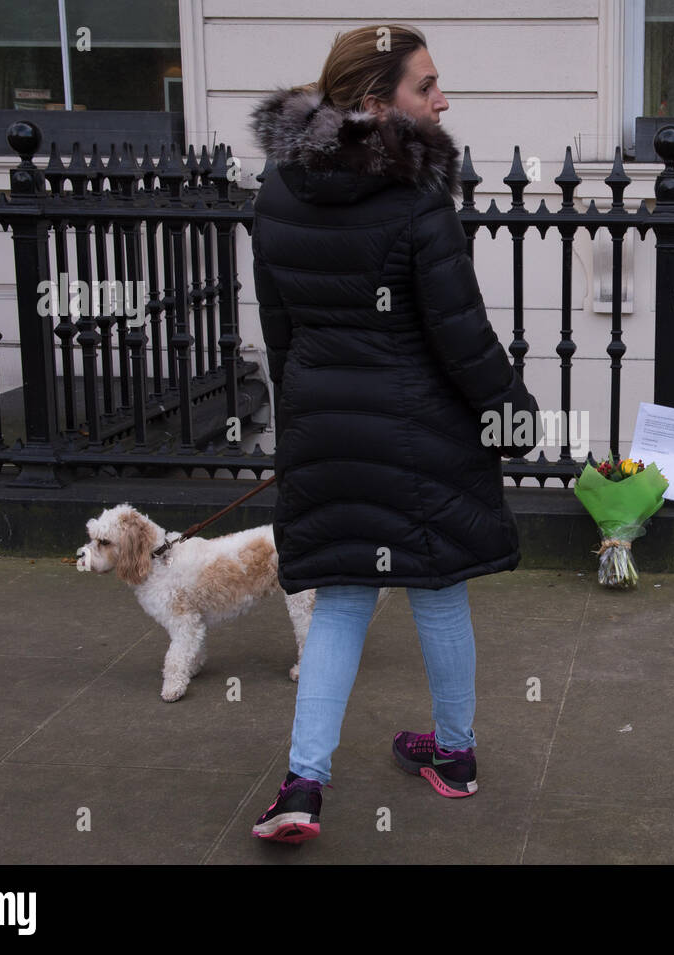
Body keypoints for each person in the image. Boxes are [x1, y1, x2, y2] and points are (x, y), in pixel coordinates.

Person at [245, 23, 541, 844]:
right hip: (421, 438)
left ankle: (303, 785)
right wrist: (512, 412)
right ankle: (454, 754)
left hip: (331, 433)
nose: (443, 100)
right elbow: (462, 335)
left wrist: (302, 421)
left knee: (340, 597)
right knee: (438, 588)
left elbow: (282, 334)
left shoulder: (275, 186)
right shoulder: (415, 197)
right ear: (378, 105)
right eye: (426, 86)